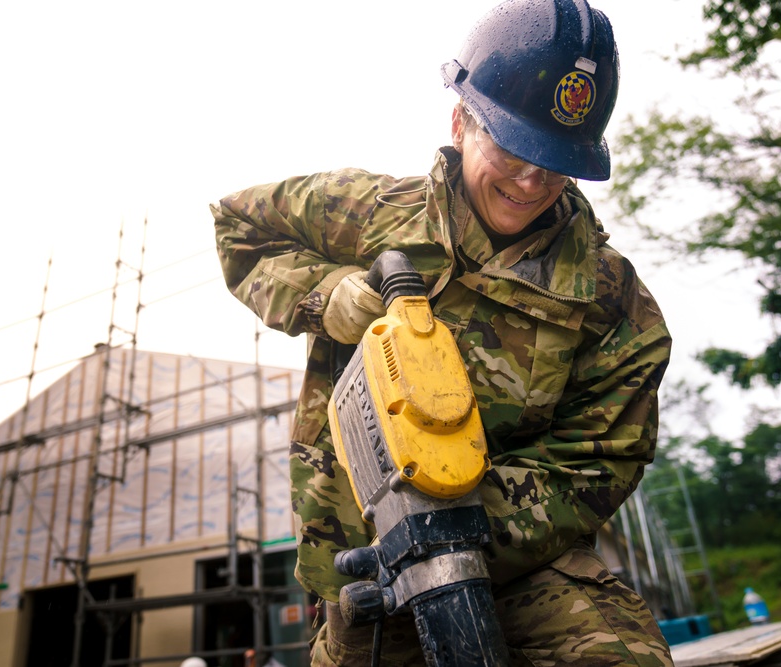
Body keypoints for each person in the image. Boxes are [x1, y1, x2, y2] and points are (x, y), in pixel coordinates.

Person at [212, 0, 673, 663]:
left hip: (520, 569)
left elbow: (602, 456)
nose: (531, 180)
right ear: (461, 122)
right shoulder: (368, 214)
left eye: (555, 157)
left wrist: (462, 524)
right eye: (512, 147)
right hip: (366, 572)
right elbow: (238, 225)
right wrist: (322, 297)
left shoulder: (613, 308)